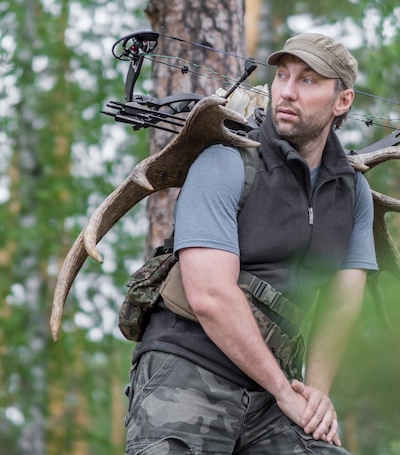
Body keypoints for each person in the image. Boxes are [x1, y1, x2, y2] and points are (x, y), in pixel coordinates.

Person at [124, 32, 378, 454]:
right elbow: (210, 296)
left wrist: (314, 395)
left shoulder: (353, 191)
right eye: (282, 76)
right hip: (187, 367)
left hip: (272, 391)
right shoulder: (226, 161)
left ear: (343, 102)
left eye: (308, 81)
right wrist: (284, 391)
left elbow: (340, 304)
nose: (287, 92)